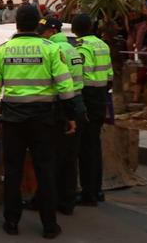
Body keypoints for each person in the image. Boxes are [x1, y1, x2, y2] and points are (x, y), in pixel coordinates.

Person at [0, 6, 77, 239]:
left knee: (13, 171)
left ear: (16, 23)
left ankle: (11, 222)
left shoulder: (3, 51)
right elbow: (65, 86)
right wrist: (70, 116)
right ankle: (49, 225)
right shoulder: (51, 49)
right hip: (43, 119)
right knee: (45, 170)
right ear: (38, 23)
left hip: (12, 119)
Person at [37, 17, 86, 215]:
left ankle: (48, 201)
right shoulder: (72, 48)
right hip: (77, 103)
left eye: (43, 31)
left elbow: (58, 84)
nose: (41, 34)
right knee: (70, 158)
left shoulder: (54, 50)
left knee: (52, 158)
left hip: (61, 106)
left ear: (52, 31)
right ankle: (67, 202)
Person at [72, 14, 113, 206]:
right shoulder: (102, 45)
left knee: (85, 148)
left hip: (87, 97)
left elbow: (81, 74)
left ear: (74, 29)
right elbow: (110, 75)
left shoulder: (82, 47)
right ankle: (97, 190)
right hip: (101, 96)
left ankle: (88, 193)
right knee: (94, 146)